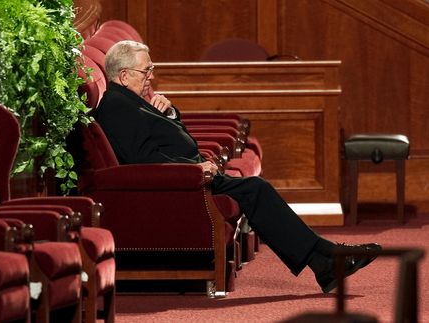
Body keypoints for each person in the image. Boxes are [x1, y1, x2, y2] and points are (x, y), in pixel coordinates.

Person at [92, 40, 381, 293]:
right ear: (124, 74)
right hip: (182, 183)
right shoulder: (116, 106)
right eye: (147, 71)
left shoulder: (132, 100)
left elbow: (164, 140)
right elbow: (142, 161)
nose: (151, 76)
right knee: (256, 189)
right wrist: (194, 169)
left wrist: (170, 113)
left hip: (188, 176)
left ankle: (325, 262)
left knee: (257, 190)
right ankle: (327, 259)